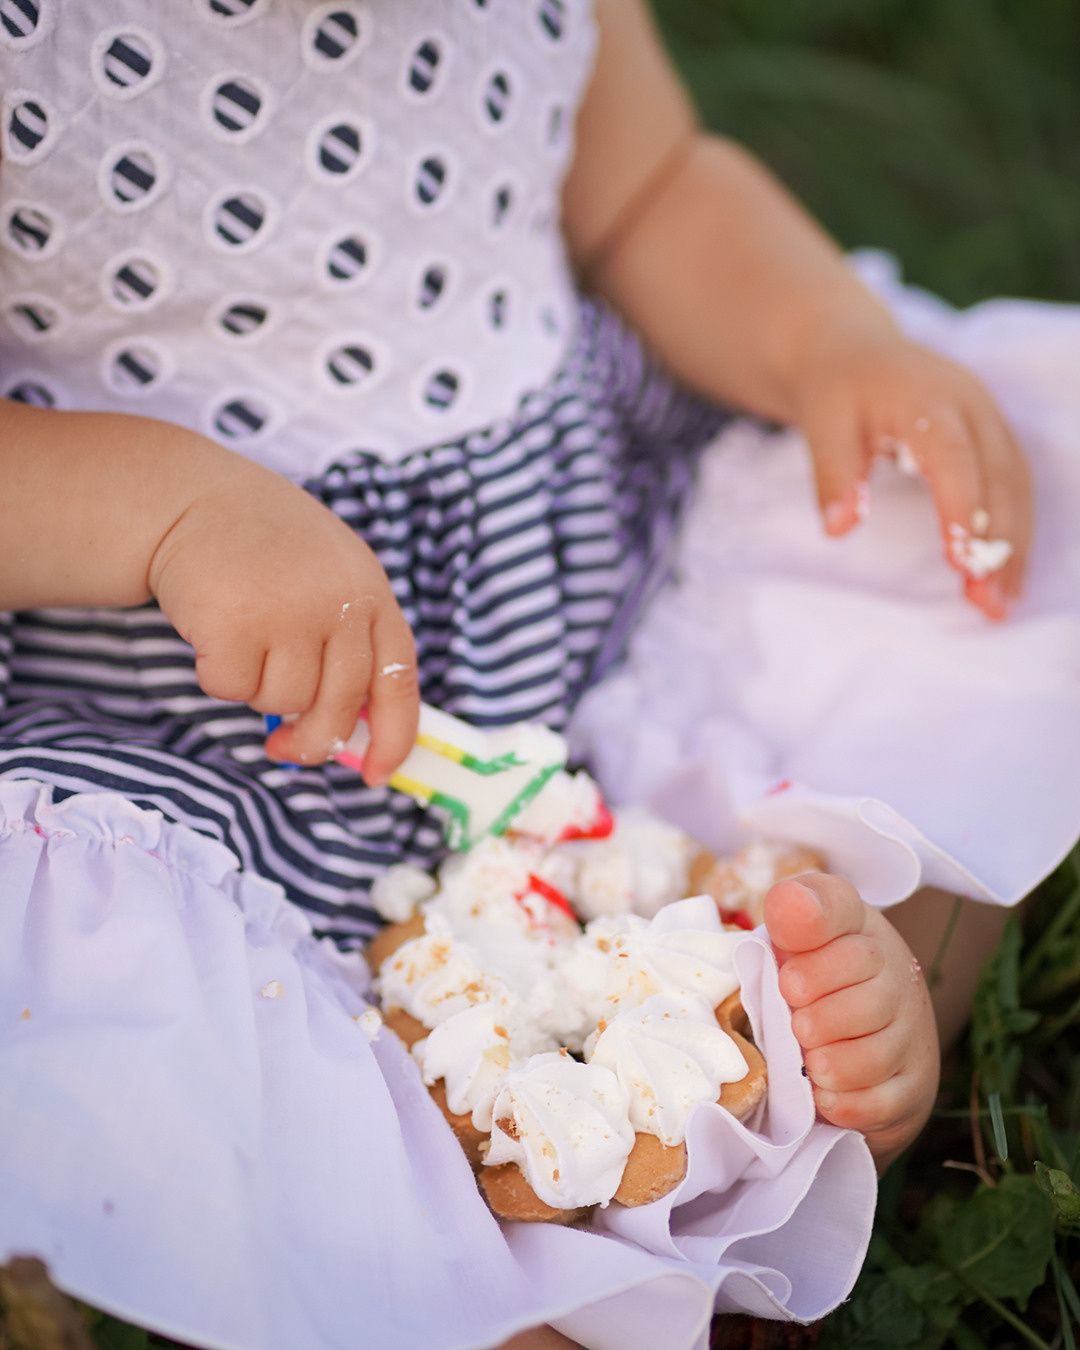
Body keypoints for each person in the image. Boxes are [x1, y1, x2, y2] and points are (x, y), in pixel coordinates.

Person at [0, 0, 1041, 1345]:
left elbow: (650, 189)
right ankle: (540, 1261)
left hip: (572, 581)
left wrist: (826, 343)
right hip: (196, 733)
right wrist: (167, 514)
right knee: (247, 1118)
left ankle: (821, 1043)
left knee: (937, 652)